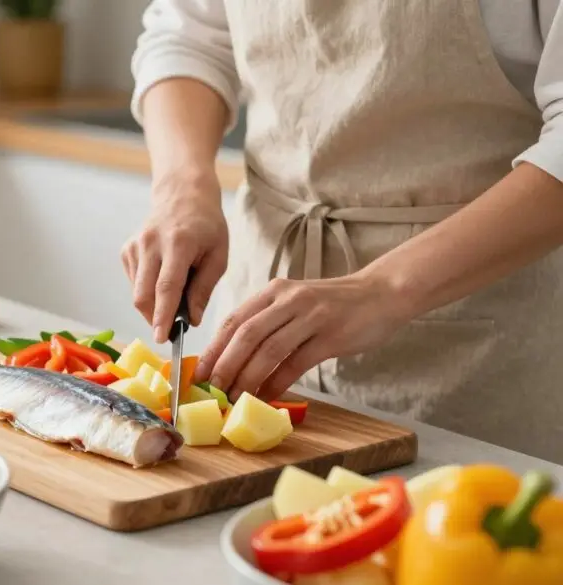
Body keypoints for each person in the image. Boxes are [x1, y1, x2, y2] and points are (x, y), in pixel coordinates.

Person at [124, 0, 563, 464]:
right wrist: (182, 186)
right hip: (263, 290)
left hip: (480, 350)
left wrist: (384, 288)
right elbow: (189, 36)